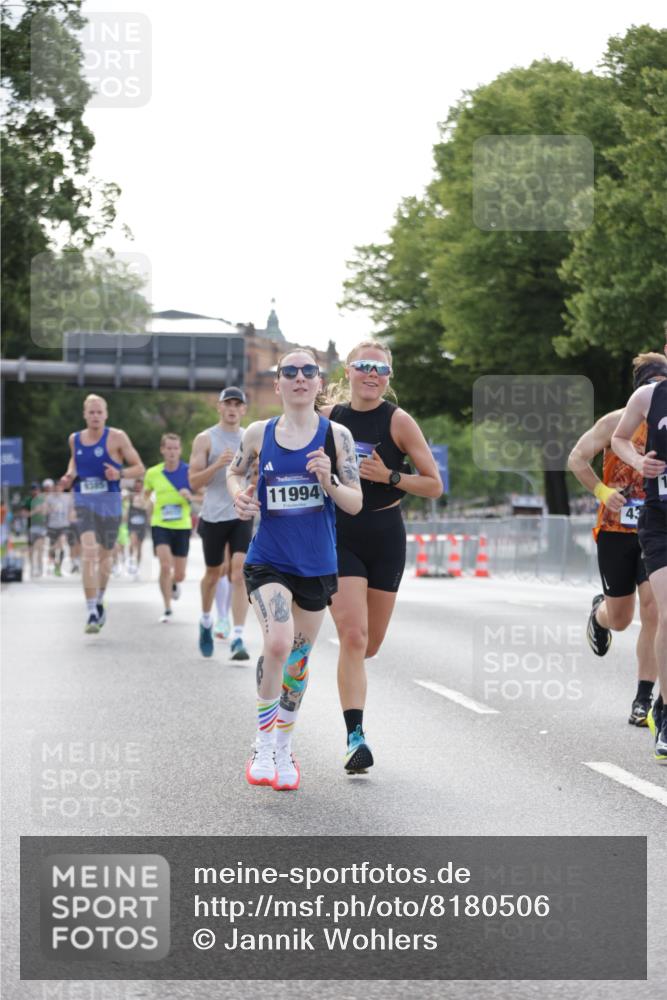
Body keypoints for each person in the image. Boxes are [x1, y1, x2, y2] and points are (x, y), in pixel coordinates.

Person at [227, 348, 363, 791]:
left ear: (319, 383)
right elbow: (235, 472)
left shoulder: (336, 437)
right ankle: (262, 741)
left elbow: (355, 502)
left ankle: (285, 747)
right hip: (268, 559)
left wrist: (330, 482)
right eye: (291, 371)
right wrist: (240, 495)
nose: (300, 377)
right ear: (278, 384)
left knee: (299, 660)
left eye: (309, 371)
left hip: (318, 565)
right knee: (279, 643)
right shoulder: (257, 433)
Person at [319, 341, 442, 772]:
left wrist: (390, 475)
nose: (373, 375)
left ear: (389, 378)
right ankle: (356, 737)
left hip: (386, 535)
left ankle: (351, 685)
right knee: (352, 636)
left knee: (369, 645)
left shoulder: (398, 421)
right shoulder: (330, 420)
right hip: (341, 534)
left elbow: (433, 485)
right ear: (349, 371)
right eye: (364, 366)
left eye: (382, 369)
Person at [567, 353, 666, 725]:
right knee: (621, 618)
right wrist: (602, 491)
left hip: (655, 528)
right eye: (649, 385)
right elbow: (577, 458)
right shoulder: (615, 421)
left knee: (655, 610)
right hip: (615, 531)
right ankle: (600, 614)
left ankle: (644, 699)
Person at [611, 347, 667, 762]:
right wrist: (636, 460)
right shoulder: (648, 398)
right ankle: (665, 715)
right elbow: (618, 439)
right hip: (659, 519)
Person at [60, 394, 145, 633]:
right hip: (83, 500)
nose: (95, 416)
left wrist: (119, 475)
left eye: (99, 412)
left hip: (110, 503)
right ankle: (90, 612)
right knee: (89, 553)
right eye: (91, 412)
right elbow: (74, 463)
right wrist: (69, 475)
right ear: (85, 414)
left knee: (106, 557)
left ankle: (99, 599)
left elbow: (140, 468)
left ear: (105, 414)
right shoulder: (74, 439)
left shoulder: (117, 437)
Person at [189, 387, 252, 659]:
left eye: (238, 404)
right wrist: (217, 466)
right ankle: (206, 621)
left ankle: (238, 636)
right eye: (228, 403)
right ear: (219, 407)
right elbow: (193, 482)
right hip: (213, 514)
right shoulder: (205, 439)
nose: (233, 409)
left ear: (244, 410)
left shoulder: (251, 437)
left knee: (239, 573)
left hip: (241, 514)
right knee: (213, 574)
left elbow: (260, 473)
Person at [143, 433, 194, 622]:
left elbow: (203, 496)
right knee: (165, 566)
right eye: (168, 448)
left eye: (175, 448)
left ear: (180, 450)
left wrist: (190, 496)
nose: (172, 452)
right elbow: (145, 496)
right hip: (160, 524)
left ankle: (174, 583)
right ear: (162, 450)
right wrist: (149, 501)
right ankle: (167, 609)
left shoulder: (189, 472)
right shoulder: (153, 473)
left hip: (182, 525)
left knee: (179, 574)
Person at [44, 478, 71, 577]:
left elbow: (71, 509)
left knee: (62, 543)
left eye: (60, 487)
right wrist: (50, 509)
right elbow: (45, 511)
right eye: (56, 487)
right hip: (52, 525)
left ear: (62, 488)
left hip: (64, 525)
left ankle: (59, 566)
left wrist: (71, 517)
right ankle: (55, 565)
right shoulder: (49, 498)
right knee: (53, 548)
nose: (58, 489)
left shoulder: (67, 497)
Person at [22, 482, 47, 578]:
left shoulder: (42, 500)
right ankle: (32, 567)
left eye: (36, 489)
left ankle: (40, 569)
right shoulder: (28, 501)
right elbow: (24, 514)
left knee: (40, 549)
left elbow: (46, 512)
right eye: (33, 490)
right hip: (31, 528)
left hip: (41, 527)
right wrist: (35, 511)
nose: (35, 492)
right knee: (31, 549)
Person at [126, 478, 149, 577]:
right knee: (132, 543)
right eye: (137, 486)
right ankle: (131, 560)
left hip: (142, 524)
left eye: (140, 486)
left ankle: (138, 567)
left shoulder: (146, 497)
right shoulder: (131, 496)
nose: (138, 488)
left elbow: (147, 508)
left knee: (139, 547)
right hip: (132, 524)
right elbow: (125, 505)